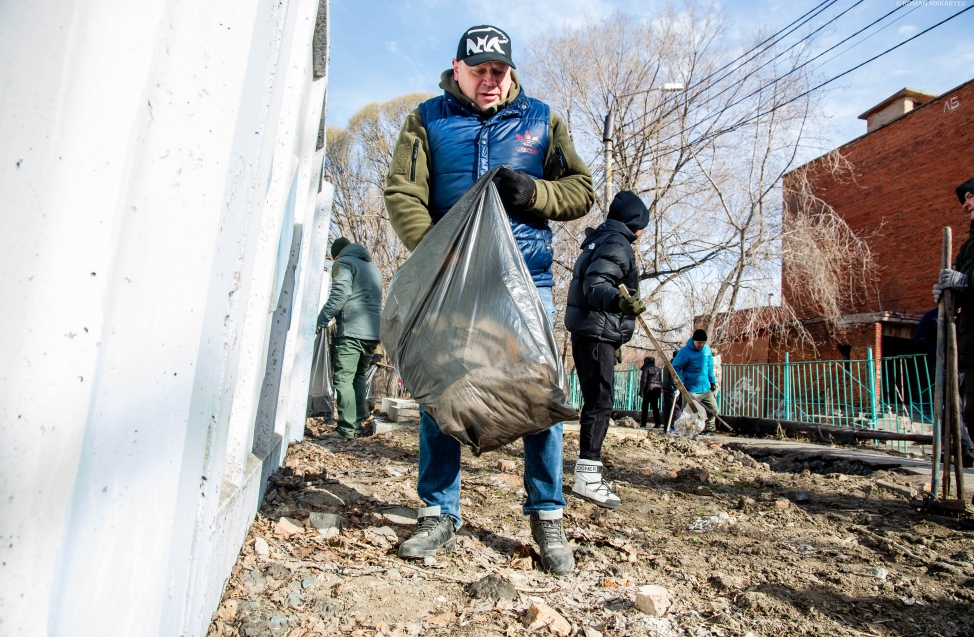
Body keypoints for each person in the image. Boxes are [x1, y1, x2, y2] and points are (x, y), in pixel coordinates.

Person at [383, 25, 596, 575]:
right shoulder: (427, 119)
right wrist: (438, 252)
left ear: (509, 71)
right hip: (453, 279)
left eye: (497, 72)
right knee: (441, 388)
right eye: (477, 72)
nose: (488, 82)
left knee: (538, 395)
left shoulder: (542, 119)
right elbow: (403, 192)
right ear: (456, 69)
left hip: (526, 281)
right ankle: (438, 512)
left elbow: (582, 190)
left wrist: (535, 193)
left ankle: (547, 515)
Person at [564, 191, 648, 509]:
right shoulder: (617, 244)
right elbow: (596, 286)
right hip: (596, 333)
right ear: (635, 224)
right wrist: (619, 301)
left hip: (591, 332)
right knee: (600, 403)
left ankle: (588, 473)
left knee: (596, 402)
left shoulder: (599, 241)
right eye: (642, 225)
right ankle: (588, 477)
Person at [316, 237, 383, 441]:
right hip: (372, 332)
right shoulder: (372, 268)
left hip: (351, 329)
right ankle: (356, 424)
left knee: (343, 378)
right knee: (359, 377)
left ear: (337, 254)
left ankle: (345, 429)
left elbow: (340, 294)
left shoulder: (343, 263)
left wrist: (322, 318)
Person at [932, 177, 974, 469]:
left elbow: (967, 282)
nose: (966, 204)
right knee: (971, 411)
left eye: (971, 197)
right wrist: (946, 293)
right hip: (970, 343)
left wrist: (967, 281)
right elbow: (958, 295)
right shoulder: (968, 247)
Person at [672, 329, 718, 436]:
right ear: (693, 340)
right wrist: (681, 383)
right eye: (699, 342)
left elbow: (710, 367)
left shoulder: (707, 350)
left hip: (705, 389)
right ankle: (691, 433)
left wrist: (712, 381)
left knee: (714, 409)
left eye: (703, 342)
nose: (701, 345)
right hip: (691, 389)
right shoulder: (685, 351)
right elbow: (675, 368)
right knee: (690, 413)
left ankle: (709, 429)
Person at [660, 351, 682, 433]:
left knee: (667, 409)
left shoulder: (668, 364)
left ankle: (666, 427)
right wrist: (676, 387)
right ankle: (674, 427)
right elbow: (674, 377)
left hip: (666, 389)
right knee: (676, 408)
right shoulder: (675, 364)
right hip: (672, 389)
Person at [639, 356, 663, 428]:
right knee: (655, 406)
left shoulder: (646, 369)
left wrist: (641, 391)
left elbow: (644, 381)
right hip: (657, 389)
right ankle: (658, 423)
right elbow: (659, 380)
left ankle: (643, 423)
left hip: (648, 390)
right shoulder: (658, 369)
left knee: (645, 407)